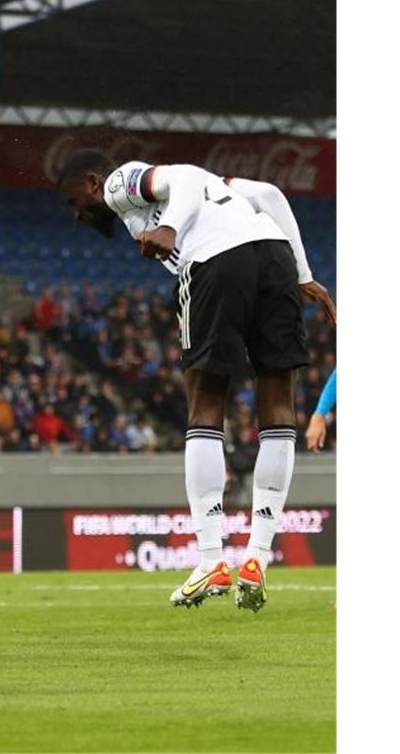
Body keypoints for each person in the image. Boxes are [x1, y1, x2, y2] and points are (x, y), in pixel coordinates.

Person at [56, 149, 335, 612]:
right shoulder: (218, 185)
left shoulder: (117, 183)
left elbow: (182, 175)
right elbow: (268, 193)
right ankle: (258, 557)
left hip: (217, 262)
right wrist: (303, 274)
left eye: (73, 202)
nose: (77, 215)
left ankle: (210, 558)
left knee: (205, 406)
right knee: (278, 404)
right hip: (275, 256)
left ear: (89, 182)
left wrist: (169, 228)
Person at [305, 369, 336, 452]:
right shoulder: (306, 386)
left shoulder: (321, 383)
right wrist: (319, 415)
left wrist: (320, 414)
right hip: (311, 412)